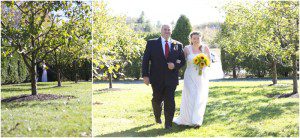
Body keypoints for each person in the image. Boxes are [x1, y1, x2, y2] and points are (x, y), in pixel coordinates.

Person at [142, 24, 186, 129]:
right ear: (161, 31)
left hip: (171, 78)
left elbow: (182, 60)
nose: (167, 31)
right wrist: (145, 75)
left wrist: (175, 65)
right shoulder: (151, 43)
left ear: (171, 32)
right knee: (157, 99)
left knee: (170, 100)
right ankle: (157, 116)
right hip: (156, 78)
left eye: (169, 30)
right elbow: (145, 60)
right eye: (165, 29)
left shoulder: (177, 45)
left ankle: (168, 124)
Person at [173, 32, 210, 128]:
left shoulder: (205, 48)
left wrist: (203, 64)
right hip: (189, 76)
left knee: (200, 96)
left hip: (201, 76)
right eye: (194, 38)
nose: (196, 40)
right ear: (191, 39)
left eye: (198, 38)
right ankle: (187, 119)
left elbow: (209, 62)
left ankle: (197, 120)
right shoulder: (186, 48)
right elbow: (181, 60)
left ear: (200, 38)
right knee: (191, 95)